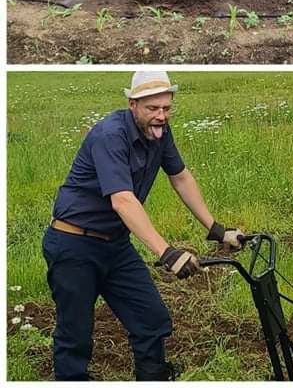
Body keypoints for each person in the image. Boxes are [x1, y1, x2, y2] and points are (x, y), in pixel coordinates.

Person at [42, 71, 244, 382]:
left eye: (166, 108)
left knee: (151, 317)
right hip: (74, 245)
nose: (161, 116)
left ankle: (153, 377)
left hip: (115, 245)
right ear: (132, 104)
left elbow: (181, 177)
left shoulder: (159, 131)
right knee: (75, 334)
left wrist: (217, 229)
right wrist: (167, 253)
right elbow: (123, 201)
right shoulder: (110, 135)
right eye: (153, 109)